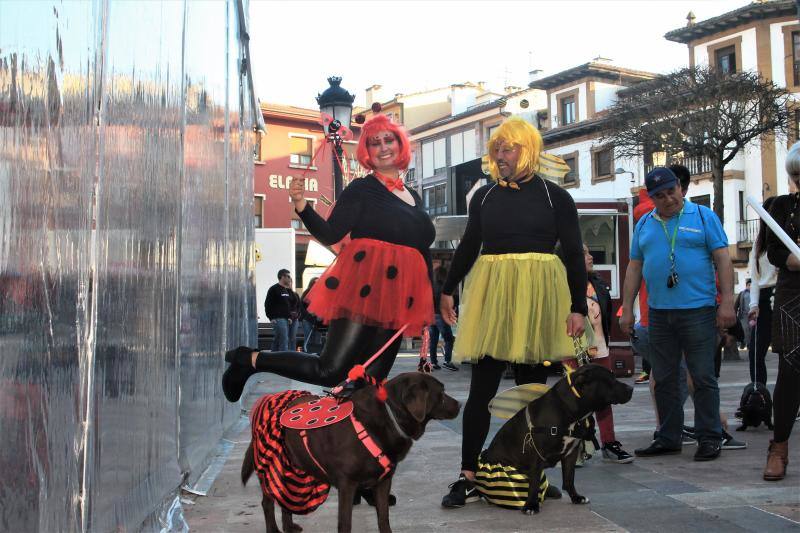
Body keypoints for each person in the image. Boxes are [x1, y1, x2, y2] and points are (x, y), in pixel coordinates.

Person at [222, 114, 435, 402]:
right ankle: (249, 360)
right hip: (363, 287)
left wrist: (434, 300)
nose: (383, 147)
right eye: (374, 143)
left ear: (401, 145)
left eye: (389, 140)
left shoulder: (414, 197)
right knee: (331, 370)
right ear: (367, 153)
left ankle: (346, 441)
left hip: (398, 298)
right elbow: (331, 233)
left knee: (371, 382)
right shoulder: (362, 189)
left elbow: (422, 253)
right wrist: (301, 206)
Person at [439, 117, 587, 508]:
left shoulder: (557, 197)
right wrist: (447, 289)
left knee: (533, 393)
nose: (499, 156)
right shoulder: (485, 197)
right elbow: (469, 247)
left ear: (528, 150)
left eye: (508, 149)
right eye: (496, 150)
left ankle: (531, 473)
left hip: (538, 300)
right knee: (481, 391)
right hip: (493, 300)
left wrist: (578, 307)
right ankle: (467, 474)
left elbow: (573, 254)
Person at [620, 167, 736, 462]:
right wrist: (626, 309)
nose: (668, 199)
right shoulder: (645, 222)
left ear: (680, 189)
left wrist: (727, 303)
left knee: (702, 375)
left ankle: (710, 437)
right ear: (652, 198)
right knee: (666, 378)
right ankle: (669, 436)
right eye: (660, 195)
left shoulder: (703, 216)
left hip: (698, 310)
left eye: (671, 191)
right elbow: (634, 267)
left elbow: (723, 259)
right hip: (659, 313)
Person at [563, 245, 633, 464]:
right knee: (574, 398)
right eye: (583, 253)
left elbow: (605, 316)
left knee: (604, 396)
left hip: (600, 349)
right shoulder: (561, 286)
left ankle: (609, 443)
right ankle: (574, 446)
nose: (590, 256)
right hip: (572, 351)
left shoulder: (598, 284)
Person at [762, 142, 800, 481]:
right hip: (794, 296)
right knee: (790, 374)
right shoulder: (781, 206)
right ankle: (779, 447)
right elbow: (773, 251)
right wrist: (792, 259)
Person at [746, 197, 777, 385]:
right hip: (764, 299)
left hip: (783, 294)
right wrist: (754, 304)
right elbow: (755, 279)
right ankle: (758, 394)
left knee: (789, 351)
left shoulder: (787, 241)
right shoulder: (758, 246)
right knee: (756, 352)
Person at [264, 269, 300, 352]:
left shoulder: (288, 290)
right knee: (284, 338)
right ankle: (283, 359)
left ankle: (276, 356)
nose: (290, 278)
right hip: (278, 318)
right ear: (282, 277)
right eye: (288, 276)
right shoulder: (274, 289)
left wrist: (291, 317)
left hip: (289, 318)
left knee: (285, 338)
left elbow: (292, 305)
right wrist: (271, 317)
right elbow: (268, 304)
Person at [429, 266, 457, 371]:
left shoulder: (431, 287)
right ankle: (447, 361)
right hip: (441, 315)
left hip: (431, 315)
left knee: (433, 340)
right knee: (449, 339)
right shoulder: (445, 288)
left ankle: (433, 362)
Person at [299, 277, 324, 353]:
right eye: (315, 282)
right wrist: (308, 314)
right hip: (308, 320)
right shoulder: (307, 293)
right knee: (308, 339)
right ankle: (307, 354)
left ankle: (316, 354)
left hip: (318, 321)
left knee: (317, 339)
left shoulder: (322, 293)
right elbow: (302, 307)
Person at [734, 280, 752, 349]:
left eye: (751, 285)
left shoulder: (755, 293)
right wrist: (734, 313)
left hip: (752, 315)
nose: (750, 286)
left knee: (751, 330)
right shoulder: (742, 293)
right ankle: (743, 342)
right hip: (743, 315)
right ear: (746, 285)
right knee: (744, 329)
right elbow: (736, 304)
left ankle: (750, 345)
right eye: (749, 285)